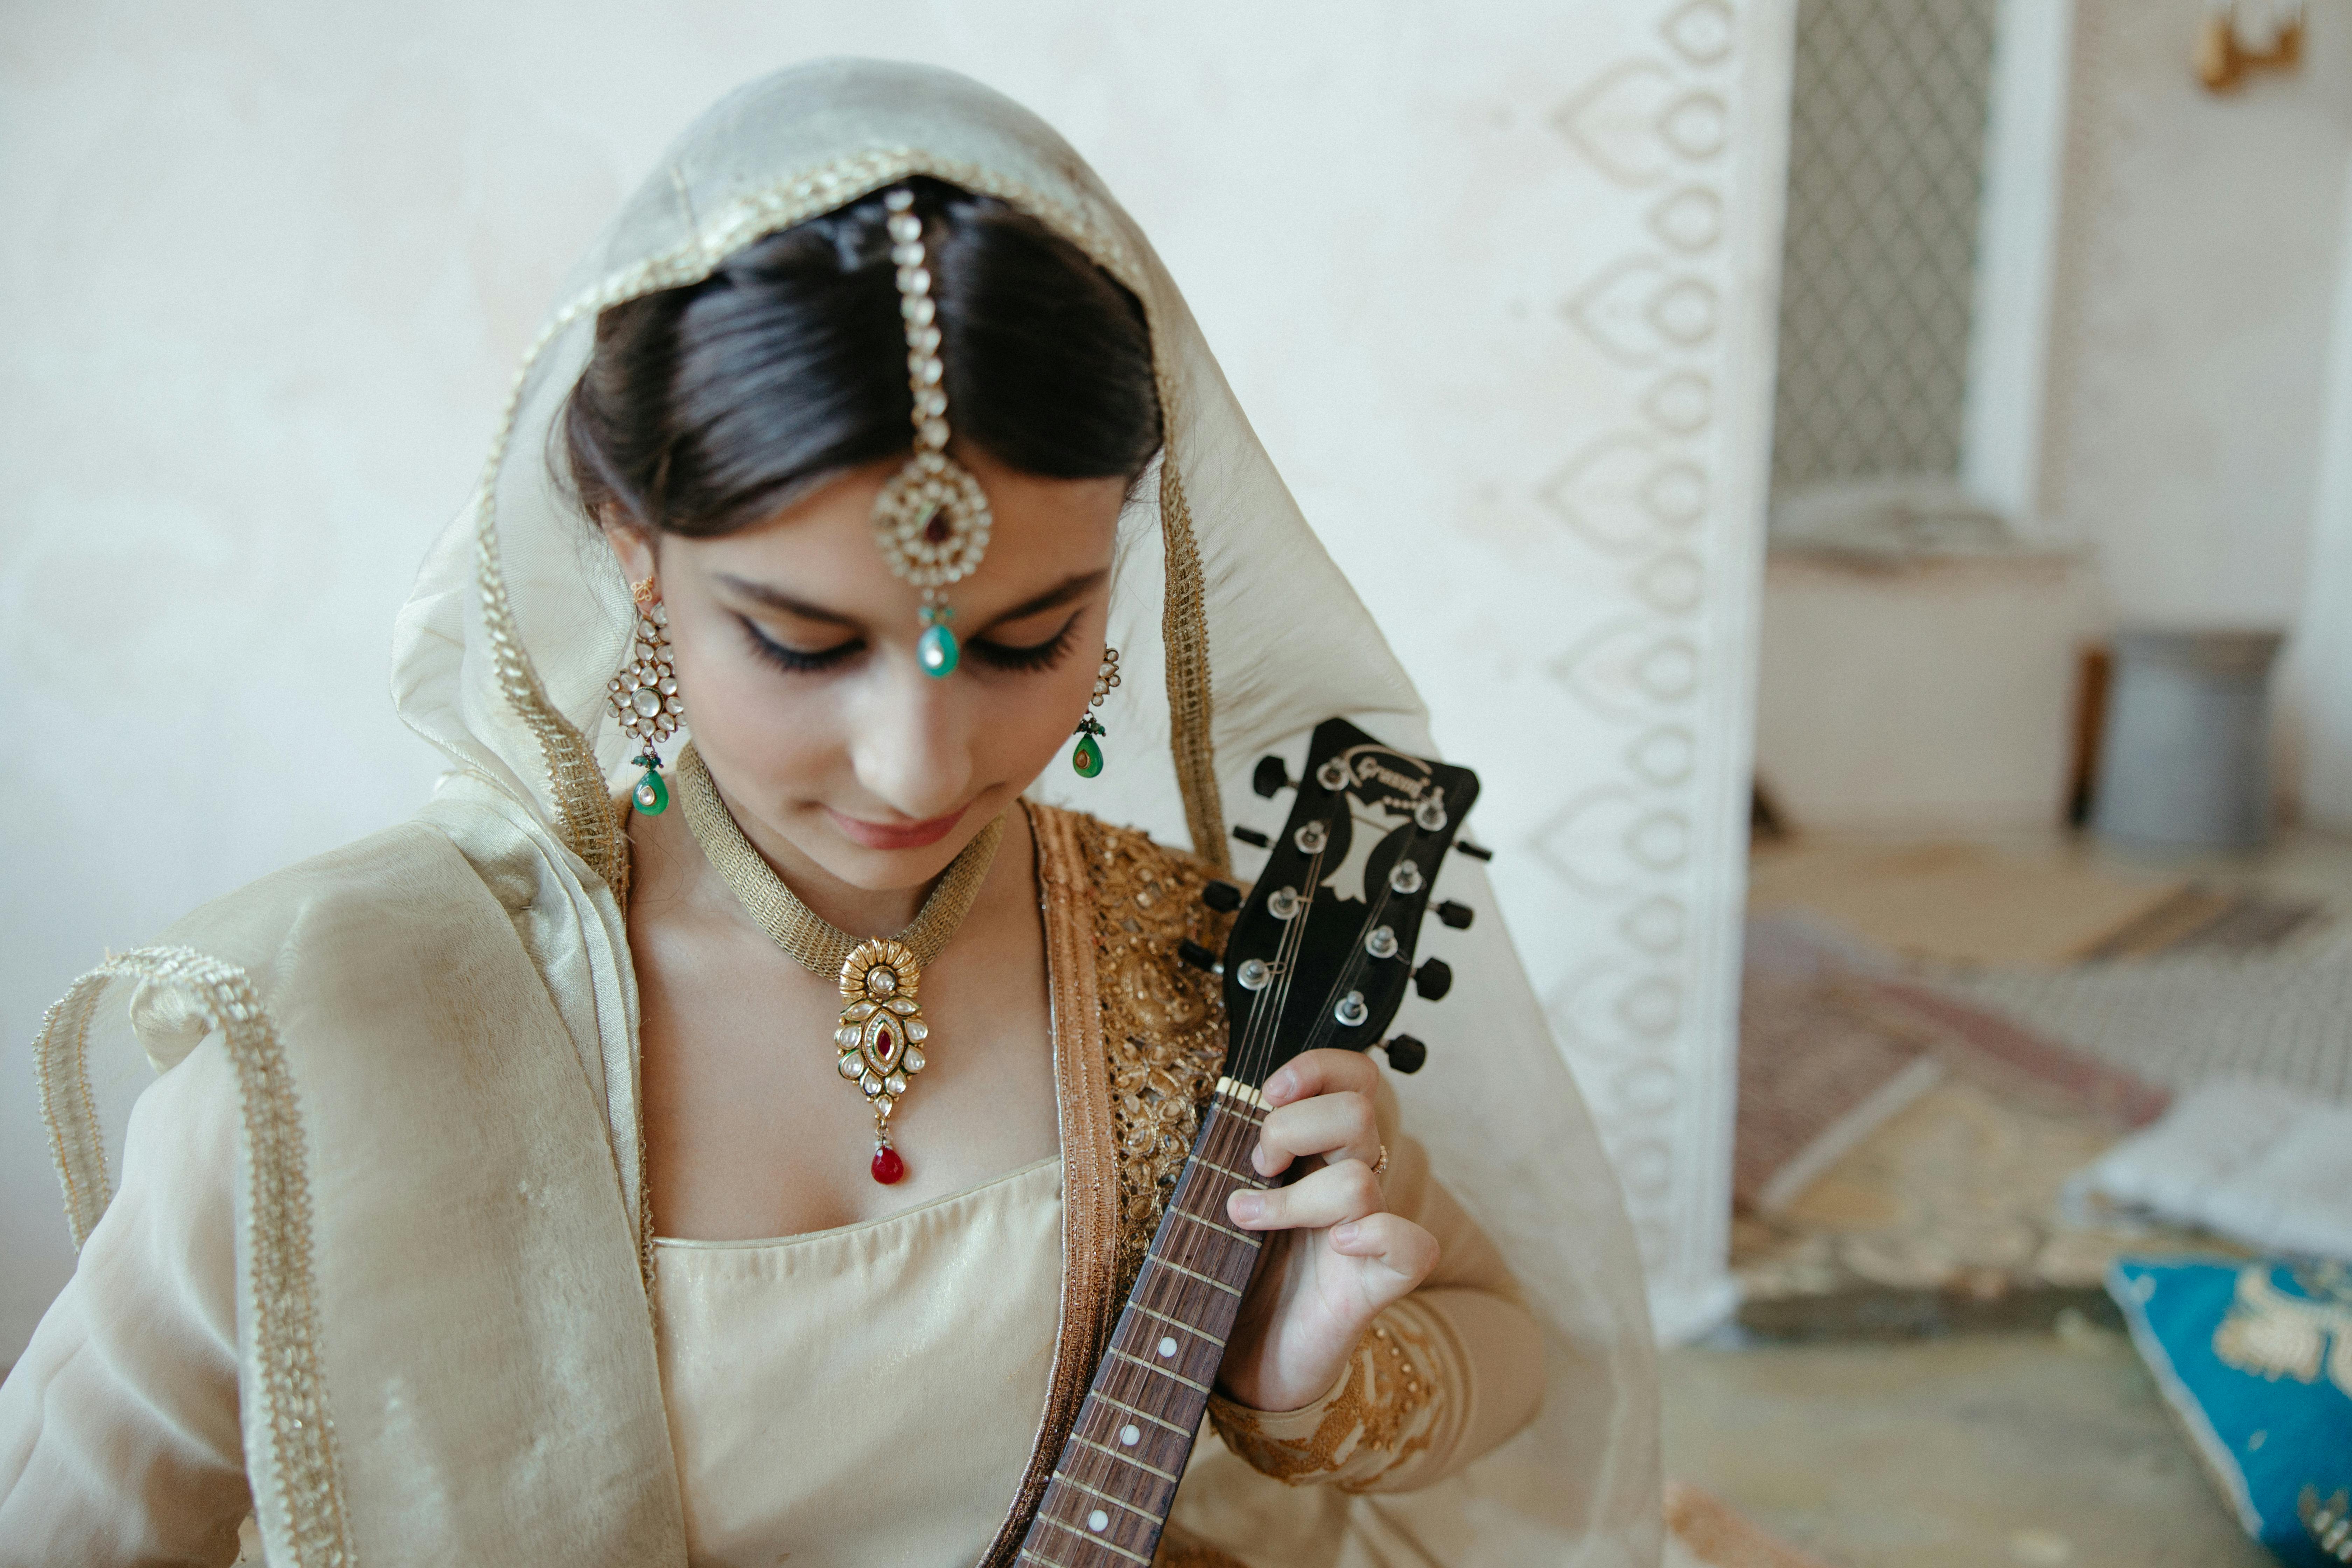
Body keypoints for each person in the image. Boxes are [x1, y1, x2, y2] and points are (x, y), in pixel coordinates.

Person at [0, 59, 1659, 1567]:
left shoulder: (1176, 974)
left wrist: (1309, 1371)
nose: (919, 768)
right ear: (629, 537)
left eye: (1029, 640)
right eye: (801, 642)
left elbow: (1519, 1356)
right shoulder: (356, 1037)